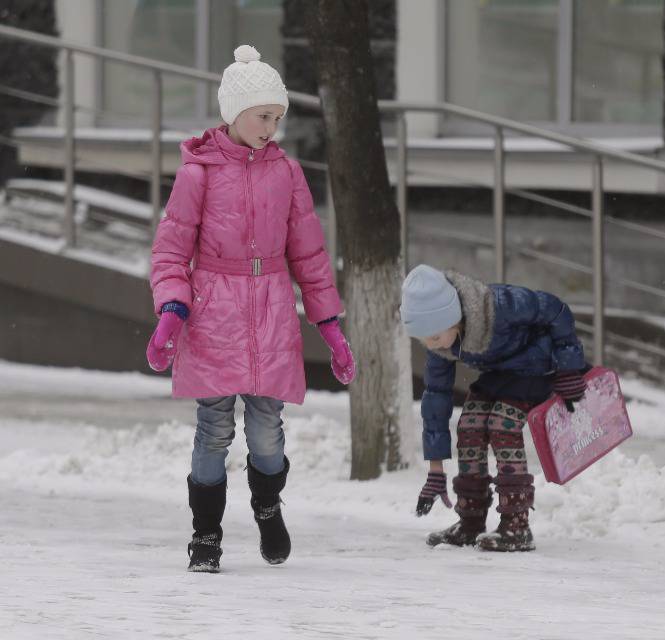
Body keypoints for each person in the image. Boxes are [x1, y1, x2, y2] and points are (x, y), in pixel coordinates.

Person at [146, 45, 355, 572]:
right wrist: (171, 311)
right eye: (263, 116)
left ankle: (267, 504)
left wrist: (330, 327)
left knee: (266, 430)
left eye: (277, 118)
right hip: (214, 312)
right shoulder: (198, 173)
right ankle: (206, 534)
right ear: (235, 112)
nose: (271, 127)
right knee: (213, 429)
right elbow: (171, 250)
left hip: (271, 311)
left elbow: (309, 254)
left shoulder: (286, 173)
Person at [401, 264, 587, 552]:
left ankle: (516, 525)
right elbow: (436, 397)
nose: (431, 344)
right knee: (470, 425)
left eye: (435, 337)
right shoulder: (441, 344)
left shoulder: (500, 305)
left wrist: (569, 368)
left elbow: (556, 309)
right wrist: (436, 470)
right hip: (501, 374)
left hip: (540, 368)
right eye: (423, 339)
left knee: (502, 424)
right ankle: (470, 521)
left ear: (454, 318)